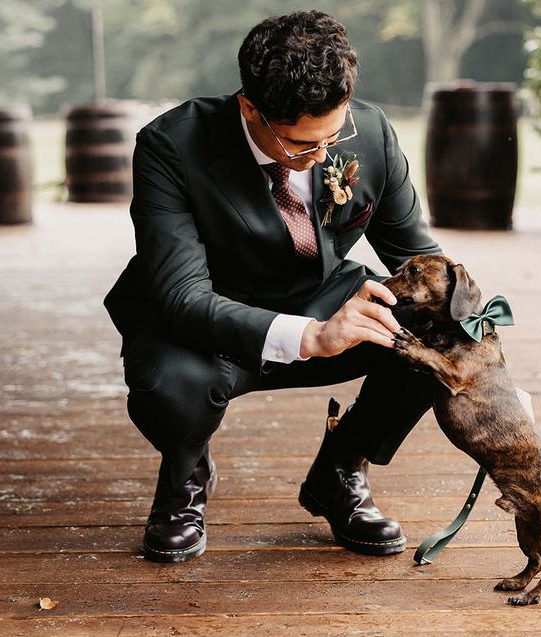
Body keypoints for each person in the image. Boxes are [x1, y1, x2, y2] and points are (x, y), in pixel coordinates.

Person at [104, 10, 443, 563]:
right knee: (171, 385)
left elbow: (421, 262)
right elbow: (181, 298)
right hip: (201, 315)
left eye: (335, 136)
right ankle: (185, 474)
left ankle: (339, 471)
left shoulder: (371, 131)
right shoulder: (171, 146)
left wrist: (483, 358)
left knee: (437, 333)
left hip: (317, 294)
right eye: (300, 147)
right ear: (249, 109)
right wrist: (309, 337)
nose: (324, 157)